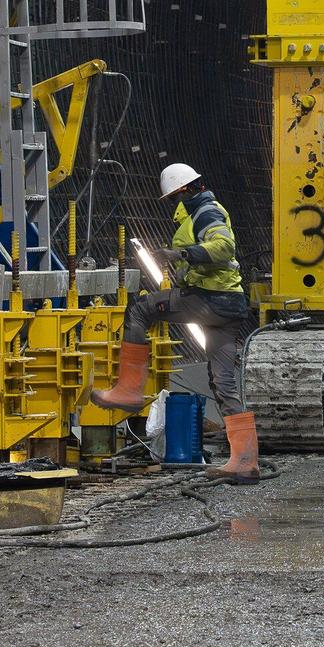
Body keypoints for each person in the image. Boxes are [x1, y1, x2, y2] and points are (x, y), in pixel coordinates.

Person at [90, 163, 259, 483]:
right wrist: (183, 267)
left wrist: (181, 255)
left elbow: (224, 247)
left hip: (210, 300)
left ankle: (128, 390)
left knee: (140, 310)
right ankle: (245, 462)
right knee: (222, 382)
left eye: (173, 198)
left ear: (184, 192)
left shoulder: (206, 212)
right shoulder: (203, 211)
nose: (173, 204)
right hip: (230, 306)